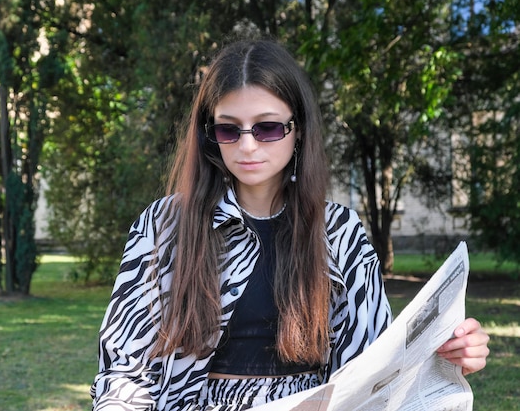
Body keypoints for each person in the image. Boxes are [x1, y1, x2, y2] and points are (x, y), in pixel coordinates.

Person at [90, 39, 490, 411]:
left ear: (297, 131)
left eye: (267, 128)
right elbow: (124, 370)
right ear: (211, 135)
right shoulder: (165, 225)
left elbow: (375, 368)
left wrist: (448, 357)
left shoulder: (339, 232)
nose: (247, 146)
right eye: (229, 129)